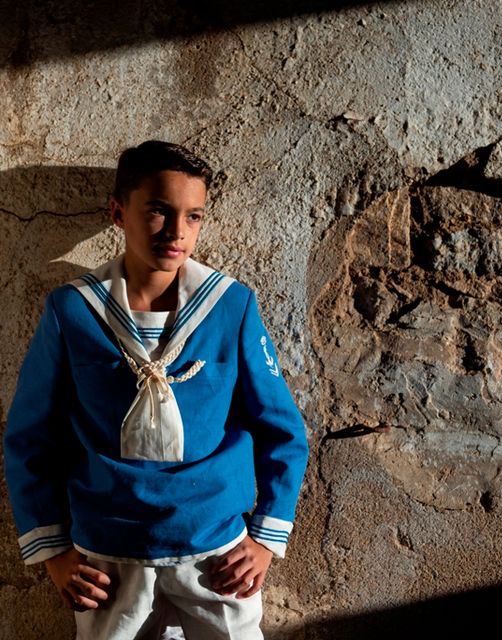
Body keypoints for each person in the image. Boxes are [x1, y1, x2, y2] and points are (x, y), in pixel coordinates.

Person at [3, 140, 309, 639]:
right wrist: (55, 553)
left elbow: (281, 428)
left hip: (216, 554)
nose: (177, 232)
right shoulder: (73, 311)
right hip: (107, 557)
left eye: (193, 217)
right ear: (119, 213)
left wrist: (266, 538)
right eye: (159, 212)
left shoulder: (230, 306)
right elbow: (30, 436)